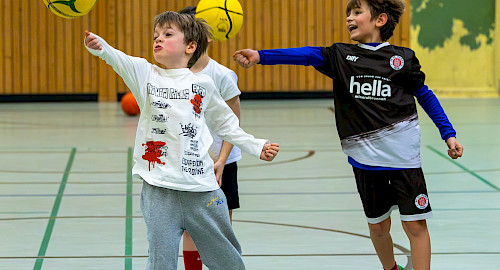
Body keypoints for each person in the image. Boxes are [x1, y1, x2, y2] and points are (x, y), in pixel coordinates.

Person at [233, 0, 463, 269]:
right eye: (348, 14)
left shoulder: (403, 58)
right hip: (365, 161)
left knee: (415, 224)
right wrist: (261, 56)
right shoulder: (341, 56)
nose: (349, 18)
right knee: (378, 227)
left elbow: (425, 96)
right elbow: (305, 54)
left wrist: (448, 133)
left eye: (356, 12)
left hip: (404, 159)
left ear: (380, 20)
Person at [84, 11, 279, 270]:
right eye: (156, 35)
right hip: (158, 191)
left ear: (190, 46)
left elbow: (227, 124)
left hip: (202, 191)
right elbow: (118, 59)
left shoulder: (204, 84)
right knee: (160, 262)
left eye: (167, 34)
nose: (158, 39)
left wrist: (257, 146)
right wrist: (100, 47)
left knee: (228, 260)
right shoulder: (146, 75)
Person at [177, 6, 244, 270]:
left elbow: (234, 123)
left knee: (219, 227)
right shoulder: (173, 75)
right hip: (188, 163)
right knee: (190, 227)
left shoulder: (222, 75)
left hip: (221, 162)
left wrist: (221, 160)